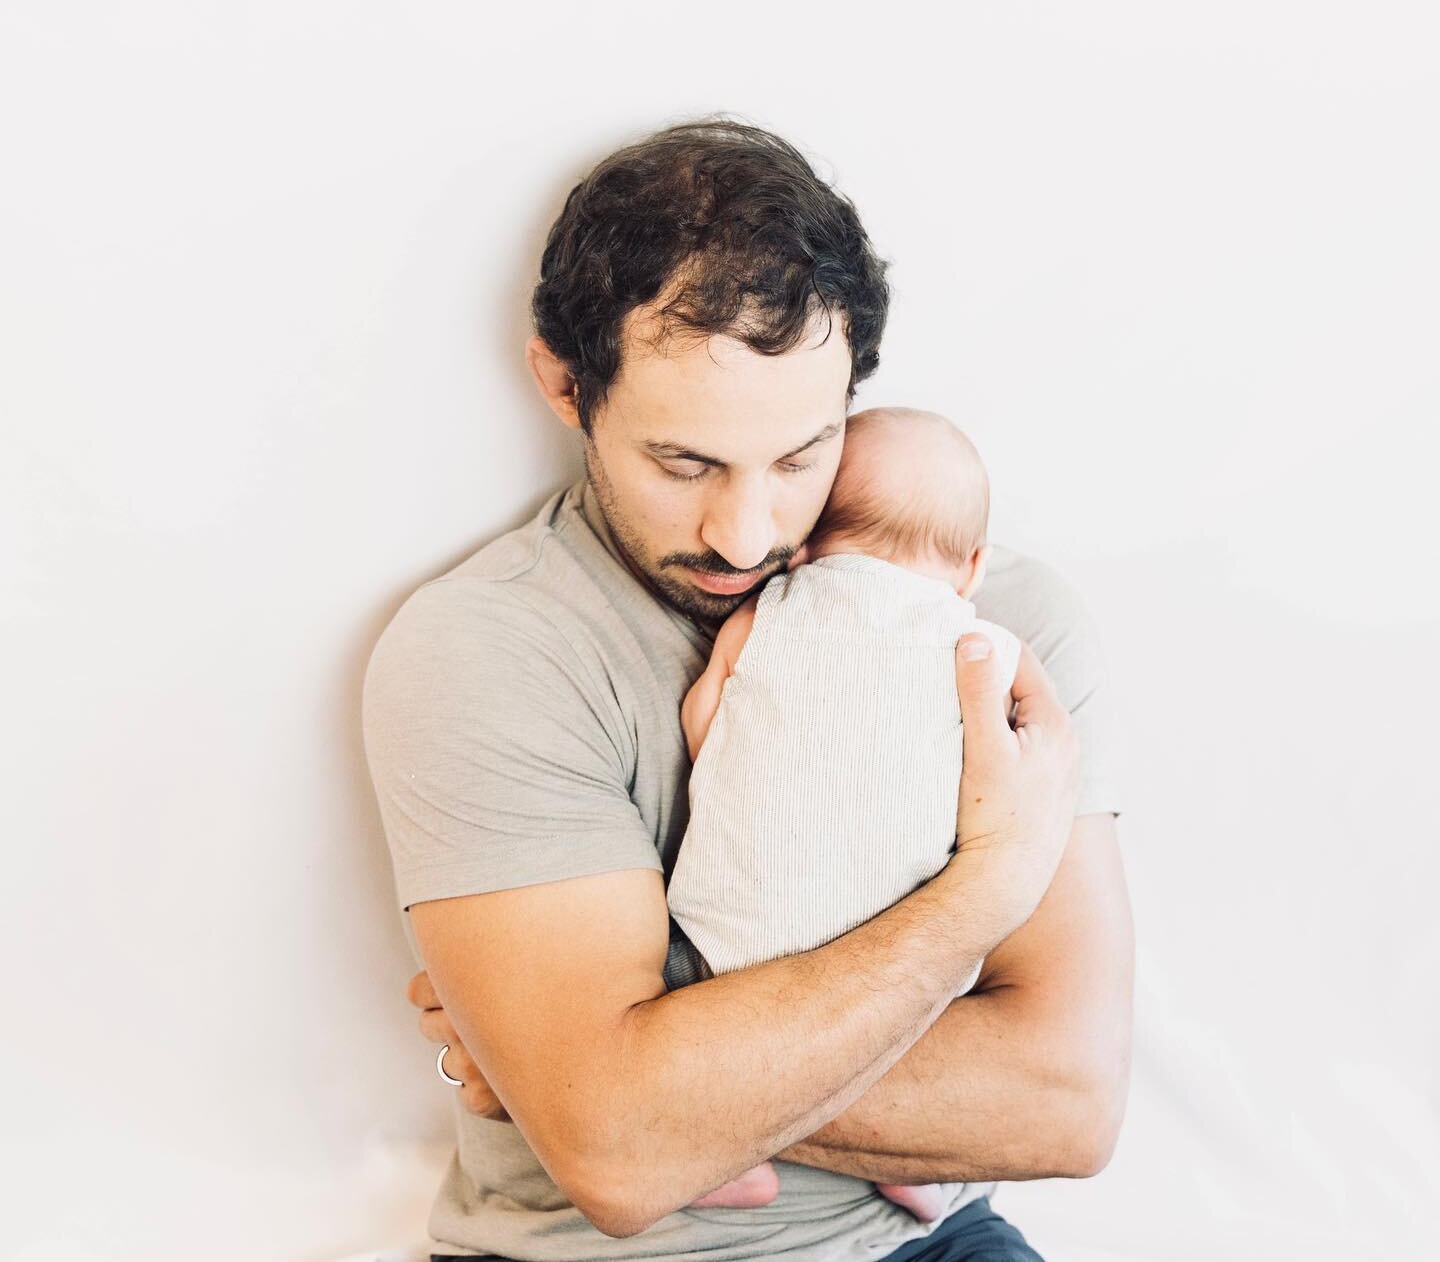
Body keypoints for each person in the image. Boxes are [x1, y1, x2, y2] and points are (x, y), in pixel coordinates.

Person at [362, 116, 1134, 1262]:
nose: (750, 531)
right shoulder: (489, 647)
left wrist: (622, 1067)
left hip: (933, 1246)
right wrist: (985, 890)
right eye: (685, 463)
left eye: (801, 457)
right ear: (565, 385)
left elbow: (1067, 1102)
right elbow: (619, 1152)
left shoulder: (998, 622)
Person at [671, 405, 1022, 1226]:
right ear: (972, 566)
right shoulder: (982, 647)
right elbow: (996, 780)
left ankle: (730, 1156)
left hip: (733, 934)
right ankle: (915, 1169)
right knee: (908, 1017)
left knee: (684, 1004)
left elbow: (704, 718)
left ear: (803, 536)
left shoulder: (771, 610)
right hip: (893, 954)